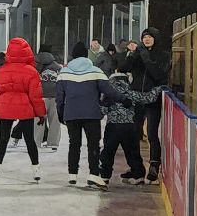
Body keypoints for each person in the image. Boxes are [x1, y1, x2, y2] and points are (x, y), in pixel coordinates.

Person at [54, 42, 124, 190]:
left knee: (74, 144)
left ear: (72, 55)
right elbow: (109, 90)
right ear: (86, 55)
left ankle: (72, 174)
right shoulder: (95, 71)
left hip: (71, 114)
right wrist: (124, 99)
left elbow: (59, 97)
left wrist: (61, 113)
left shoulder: (64, 72)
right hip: (91, 113)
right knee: (93, 144)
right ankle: (93, 174)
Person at [0, 38, 46, 182]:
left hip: (5, 107)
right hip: (25, 108)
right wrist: (40, 113)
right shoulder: (31, 72)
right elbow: (35, 96)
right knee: (29, 140)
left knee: (3, 139)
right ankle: (36, 170)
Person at [101, 67, 162, 184]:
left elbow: (102, 111)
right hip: (129, 126)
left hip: (113, 127)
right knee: (132, 151)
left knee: (108, 151)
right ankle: (138, 173)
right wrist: (159, 88)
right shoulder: (130, 93)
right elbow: (148, 98)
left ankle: (105, 175)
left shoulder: (108, 95)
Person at [126, 27, 171, 183]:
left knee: (151, 134)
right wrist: (132, 55)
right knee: (133, 134)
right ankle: (136, 168)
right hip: (137, 98)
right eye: (144, 37)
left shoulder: (163, 55)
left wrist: (146, 58)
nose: (146, 39)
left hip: (153, 100)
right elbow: (125, 67)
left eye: (150, 37)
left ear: (156, 38)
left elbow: (159, 75)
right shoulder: (138, 54)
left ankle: (154, 166)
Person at [37, 47, 62, 150]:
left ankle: (36, 142)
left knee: (39, 120)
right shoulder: (58, 67)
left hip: (40, 96)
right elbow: (61, 81)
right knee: (55, 121)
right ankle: (53, 143)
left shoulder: (35, 65)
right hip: (55, 96)